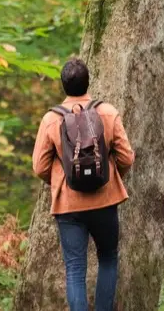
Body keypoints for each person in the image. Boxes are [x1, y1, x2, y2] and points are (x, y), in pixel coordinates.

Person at [32, 58, 135, 311]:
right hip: (105, 200)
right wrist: (110, 175)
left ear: (63, 85)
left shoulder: (50, 119)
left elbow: (39, 167)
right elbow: (126, 157)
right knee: (108, 258)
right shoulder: (107, 112)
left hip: (69, 206)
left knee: (75, 269)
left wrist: (60, 180)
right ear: (89, 81)